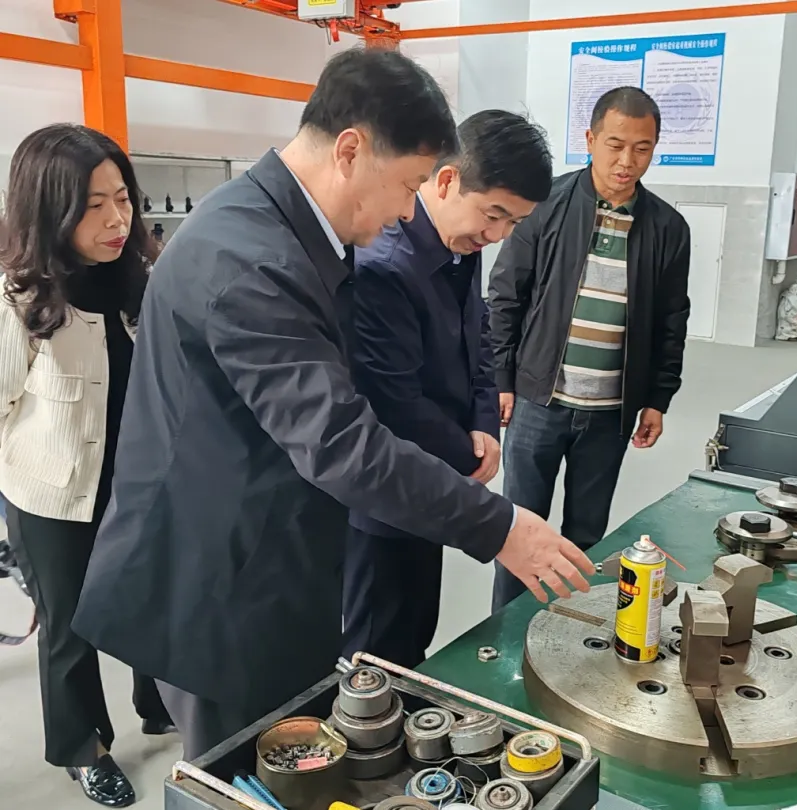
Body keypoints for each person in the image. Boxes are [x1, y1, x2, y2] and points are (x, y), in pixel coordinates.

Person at [71, 48, 592, 762]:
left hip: (271, 559)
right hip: (217, 588)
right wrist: (499, 526)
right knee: (240, 775)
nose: (408, 209)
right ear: (350, 151)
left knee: (297, 755)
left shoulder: (289, 231)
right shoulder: (249, 260)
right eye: (406, 185)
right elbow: (340, 442)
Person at [0, 124, 175, 807]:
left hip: (135, 484)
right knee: (70, 627)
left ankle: (158, 701)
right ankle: (83, 748)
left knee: (151, 596)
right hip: (53, 493)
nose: (116, 219)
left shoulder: (139, 281)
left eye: (122, 198)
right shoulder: (18, 297)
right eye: (93, 205)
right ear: (51, 209)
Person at [341, 110, 553, 668]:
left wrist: (484, 423)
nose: (497, 235)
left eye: (513, 223)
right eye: (494, 215)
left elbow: (478, 337)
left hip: (438, 478)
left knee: (416, 629)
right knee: (375, 647)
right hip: (388, 491)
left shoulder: (460, 244)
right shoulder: (387, 265)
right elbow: (393, 402)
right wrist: (466, 453)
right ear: (446, 180)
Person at [488, 87, 692, 611]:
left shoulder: (669, 228)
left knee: (586, 537)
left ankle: (569, 632)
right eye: (615, 145)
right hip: (538, 402)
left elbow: (672, 321)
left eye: (642, 148)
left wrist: (658, 398)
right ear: (590, 139)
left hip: (610, 414)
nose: (627, 161)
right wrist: (501, 379)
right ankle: (503, 637)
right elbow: (506, 295)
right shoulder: (545, 206)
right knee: (520, 532)